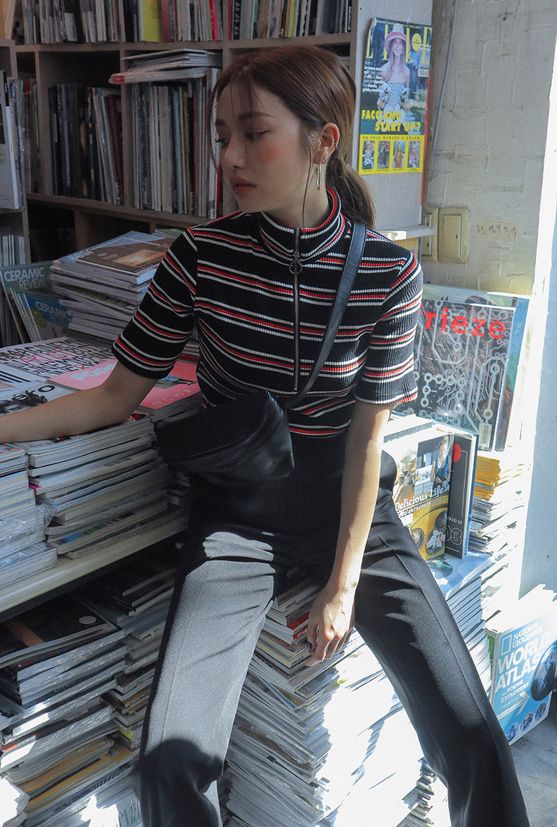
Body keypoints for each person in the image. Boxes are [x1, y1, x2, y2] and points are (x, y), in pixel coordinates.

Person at [0, 45, 529, 827]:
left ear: (323, 141)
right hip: (237, 519)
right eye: (222, 137)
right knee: (171, 758)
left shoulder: (387, 274)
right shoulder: (198, 258)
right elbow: (111, 398)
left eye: (253, 134)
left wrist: (342, 586)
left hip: (349, 510)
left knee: (471, 732)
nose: (230, 158)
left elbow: (366, 442)